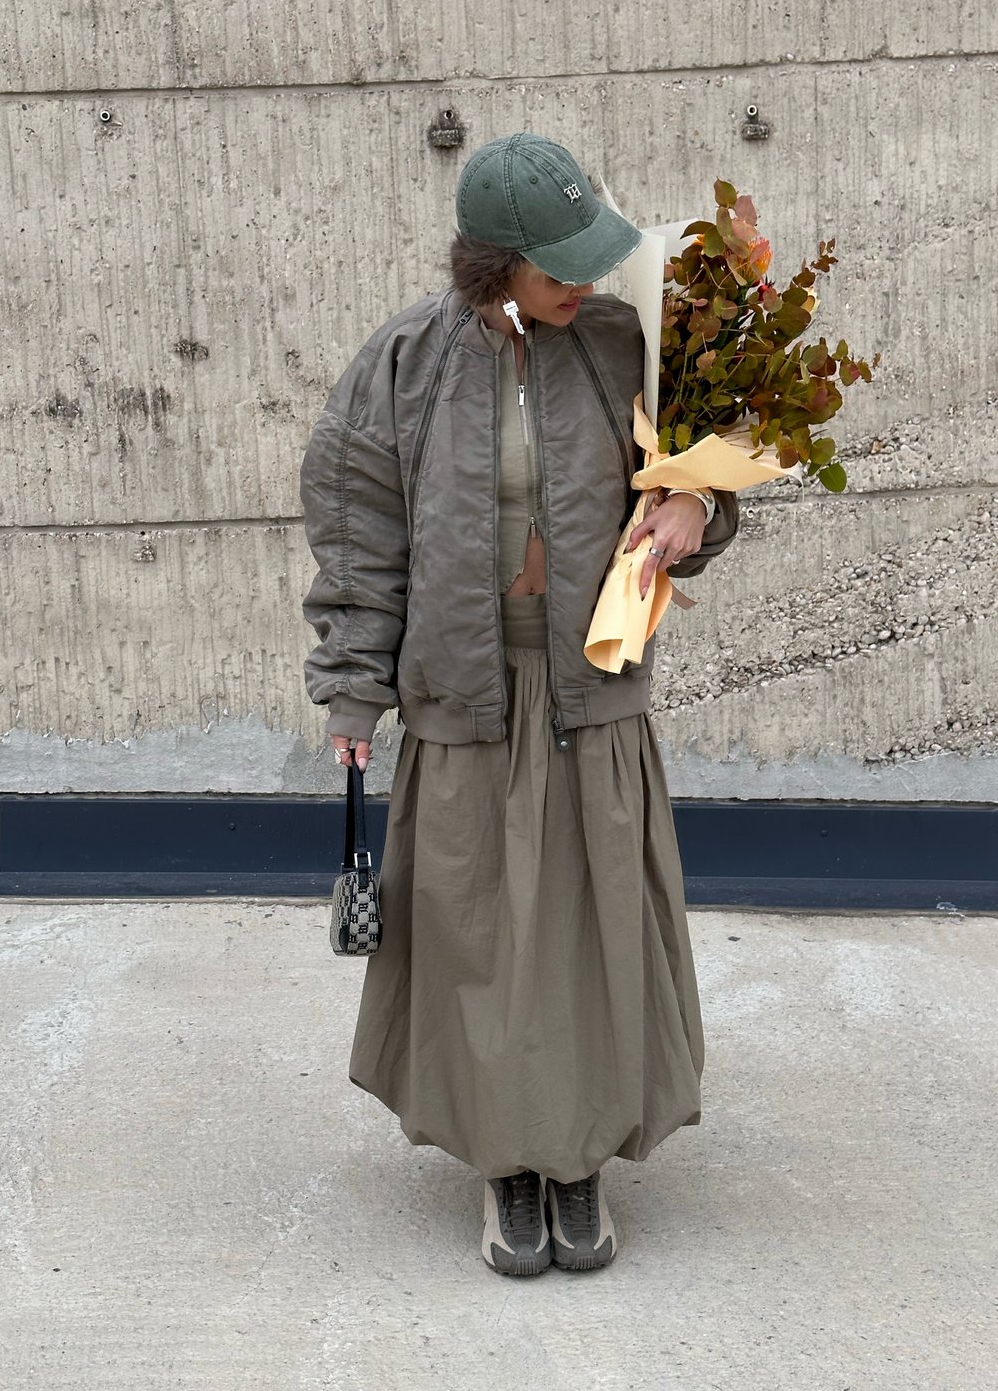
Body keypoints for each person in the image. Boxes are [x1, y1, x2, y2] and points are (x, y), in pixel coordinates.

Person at [300, 132, 739, 1276]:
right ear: (492, 264)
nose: (582, 284)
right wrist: (352, 688)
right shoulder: (402, 363)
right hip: (463, 699)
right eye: (557, 270)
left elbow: (697, 477)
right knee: (479, 937)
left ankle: (579, 1161)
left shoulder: (618, 346)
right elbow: (358, 542)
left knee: (589, 937)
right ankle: (508, 1163)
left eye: (588, 262)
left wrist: (696, 507)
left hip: (588, 693)